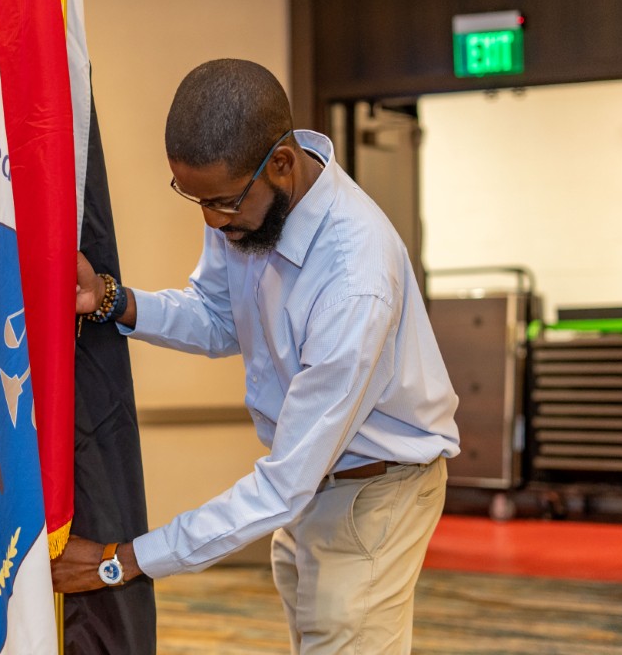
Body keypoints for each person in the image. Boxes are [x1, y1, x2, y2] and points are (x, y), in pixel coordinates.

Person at [52, 58, 460, 654]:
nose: (211, 220)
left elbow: (281, 486)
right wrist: (113, 300)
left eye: (221, 202)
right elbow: (218, 318)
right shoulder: (247, 206)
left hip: (373, 493)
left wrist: (121, 561)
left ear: (282, 164)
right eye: (196, 200)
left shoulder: (355, 281)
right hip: (314, 484)